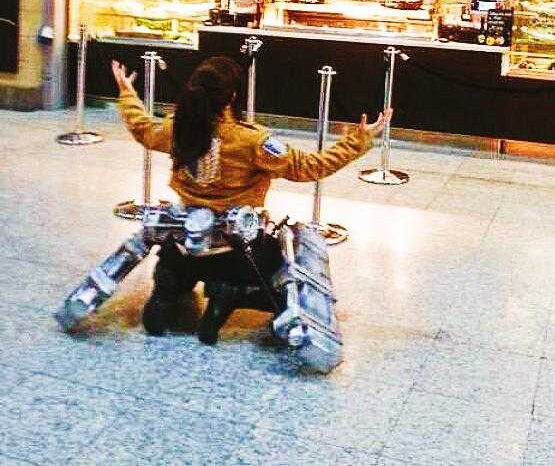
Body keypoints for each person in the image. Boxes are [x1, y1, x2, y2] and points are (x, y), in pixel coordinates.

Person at [111, 56, 388, 344]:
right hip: (237, 253)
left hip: (183, 245)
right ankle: (227, 295)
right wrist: (358, 140)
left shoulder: (177, 127)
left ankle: (168, 288)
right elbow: (309, 166)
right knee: (282, 261)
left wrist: (127, 93)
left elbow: (142, 128)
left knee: (175, 260)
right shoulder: (253, 141)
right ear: (232, 96)